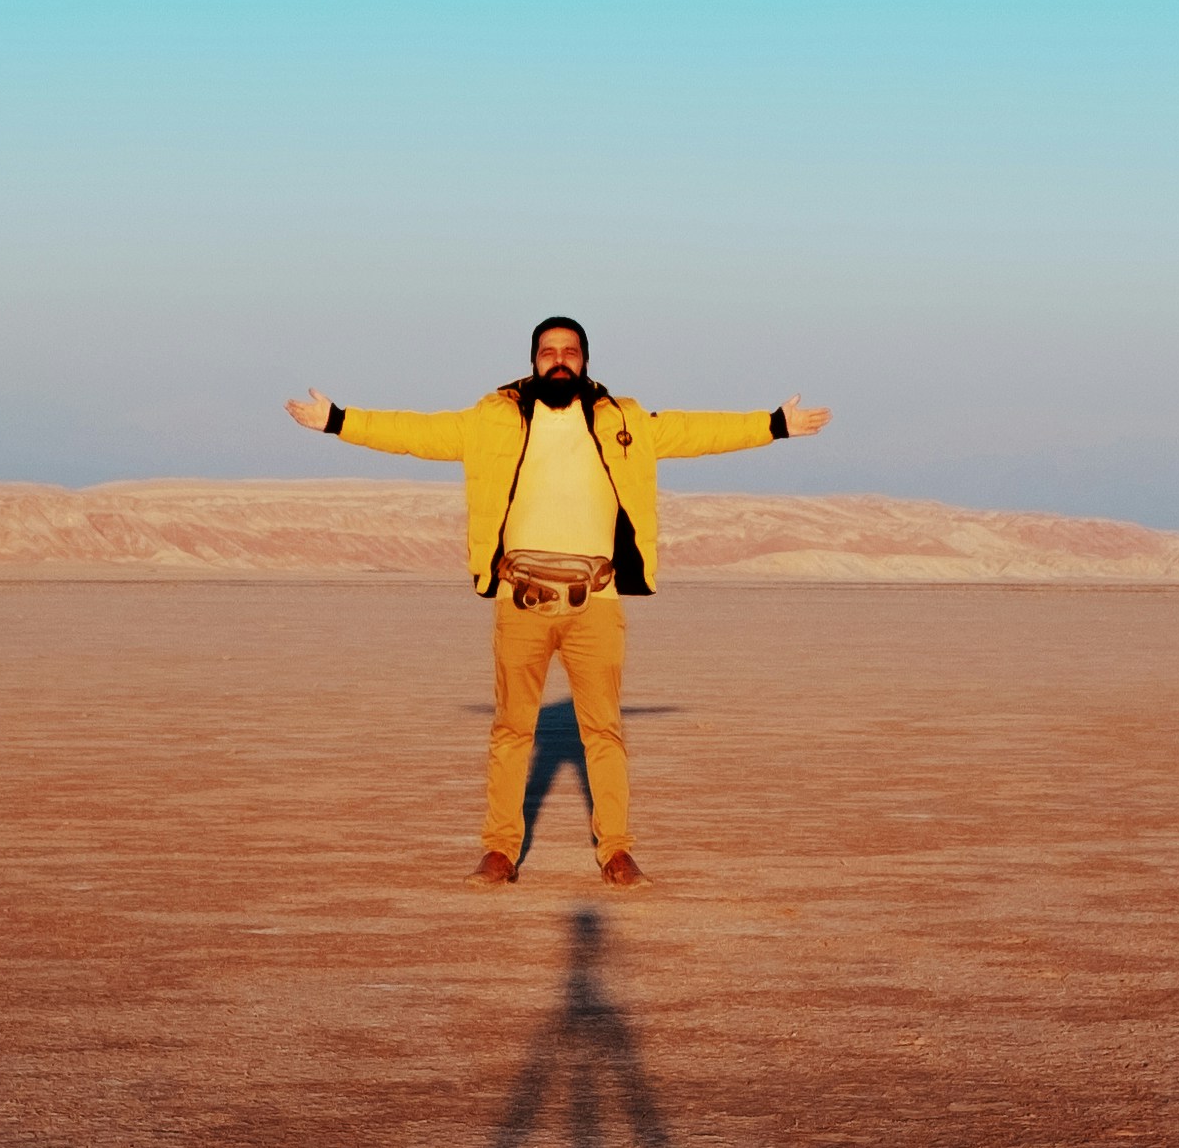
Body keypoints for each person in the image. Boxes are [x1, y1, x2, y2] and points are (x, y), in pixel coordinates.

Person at [286, 319, 828, 884]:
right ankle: (499, 852)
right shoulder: (492, 419)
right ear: (534, 360)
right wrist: (338, 421)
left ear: (586, 360)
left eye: (570, 351)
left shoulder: (624, 420)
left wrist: (774, 425)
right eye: (549, 352)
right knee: (511, 729)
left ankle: (616, 852)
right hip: (521, 600)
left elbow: (697, 432)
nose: (559, 360)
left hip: (596, 601)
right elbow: (417, 433)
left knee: (605, 732)